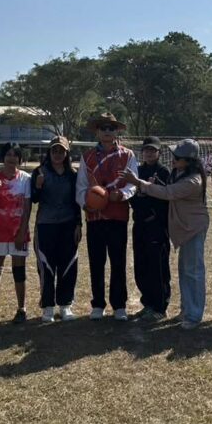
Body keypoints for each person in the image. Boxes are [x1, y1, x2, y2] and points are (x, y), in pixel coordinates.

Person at [120, 139, 209, 330]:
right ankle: (186, 310)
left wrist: (139, 183)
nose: (174, 158)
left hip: (193, 228)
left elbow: (168, 193)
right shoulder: (179, 173)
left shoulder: (193, 180)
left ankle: (194, 315)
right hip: (185, 229)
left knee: (193, 272)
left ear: (188, 160)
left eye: (178, 156)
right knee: (185, 271)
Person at [75, 113, 138, 321]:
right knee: (96, 262)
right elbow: (81, 186)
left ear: (117, 131)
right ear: (97, 132)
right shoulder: (87, 157)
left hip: (118, 216)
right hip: (95, 218)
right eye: (103, 128)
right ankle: (98, 304)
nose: (107, 132)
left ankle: (119, 305)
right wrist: (86, 203)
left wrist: (122, 194)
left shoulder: (128, 155)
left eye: (111, 128)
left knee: (118, 262)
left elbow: (133, 184)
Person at [31, 136, 82, 323]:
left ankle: (65, 305)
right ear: (49, 152)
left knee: (68, 265)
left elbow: (77, 202)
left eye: (61, 151)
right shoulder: (39, 171)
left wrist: (78, 224)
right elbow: (34, 199)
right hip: (46, 225)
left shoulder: (73, 174)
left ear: (67, 153)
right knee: (46, 266)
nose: (58, 154)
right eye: (54, 150)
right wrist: (38, 186)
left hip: (68, 225)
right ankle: (48, 307)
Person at [0, 143, 32, 324]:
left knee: (19, 271)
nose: (11, 158)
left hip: (19, 232)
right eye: (8, 155)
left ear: (20, 159)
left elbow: (27, 209)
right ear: (3, 158)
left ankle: (21, 309)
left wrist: (21, 232)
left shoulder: (26, 179)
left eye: (15, 155)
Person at [131, 137, 172, 322]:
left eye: (152, 150)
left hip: (157, 227)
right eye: (146, 150)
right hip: (140, 225)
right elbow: (132, 197)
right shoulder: (137, 171)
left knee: (158, 267)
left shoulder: (164, 172)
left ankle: (160, 306)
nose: (149, 153)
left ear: (159, 153)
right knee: (141, 265)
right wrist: (140, 193)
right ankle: (147, 303)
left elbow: (165, 198)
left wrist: (149, 190)